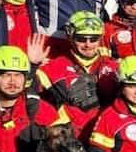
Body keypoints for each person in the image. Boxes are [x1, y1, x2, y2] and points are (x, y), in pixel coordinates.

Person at [35, 11, 118, 144]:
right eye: (81, 38)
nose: (88, 44)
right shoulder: (54, 68)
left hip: (105, 144)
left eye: (94, 38)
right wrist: (57, 124)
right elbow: (28, 97)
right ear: (70, 37)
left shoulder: (114, 69)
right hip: (71, 144)